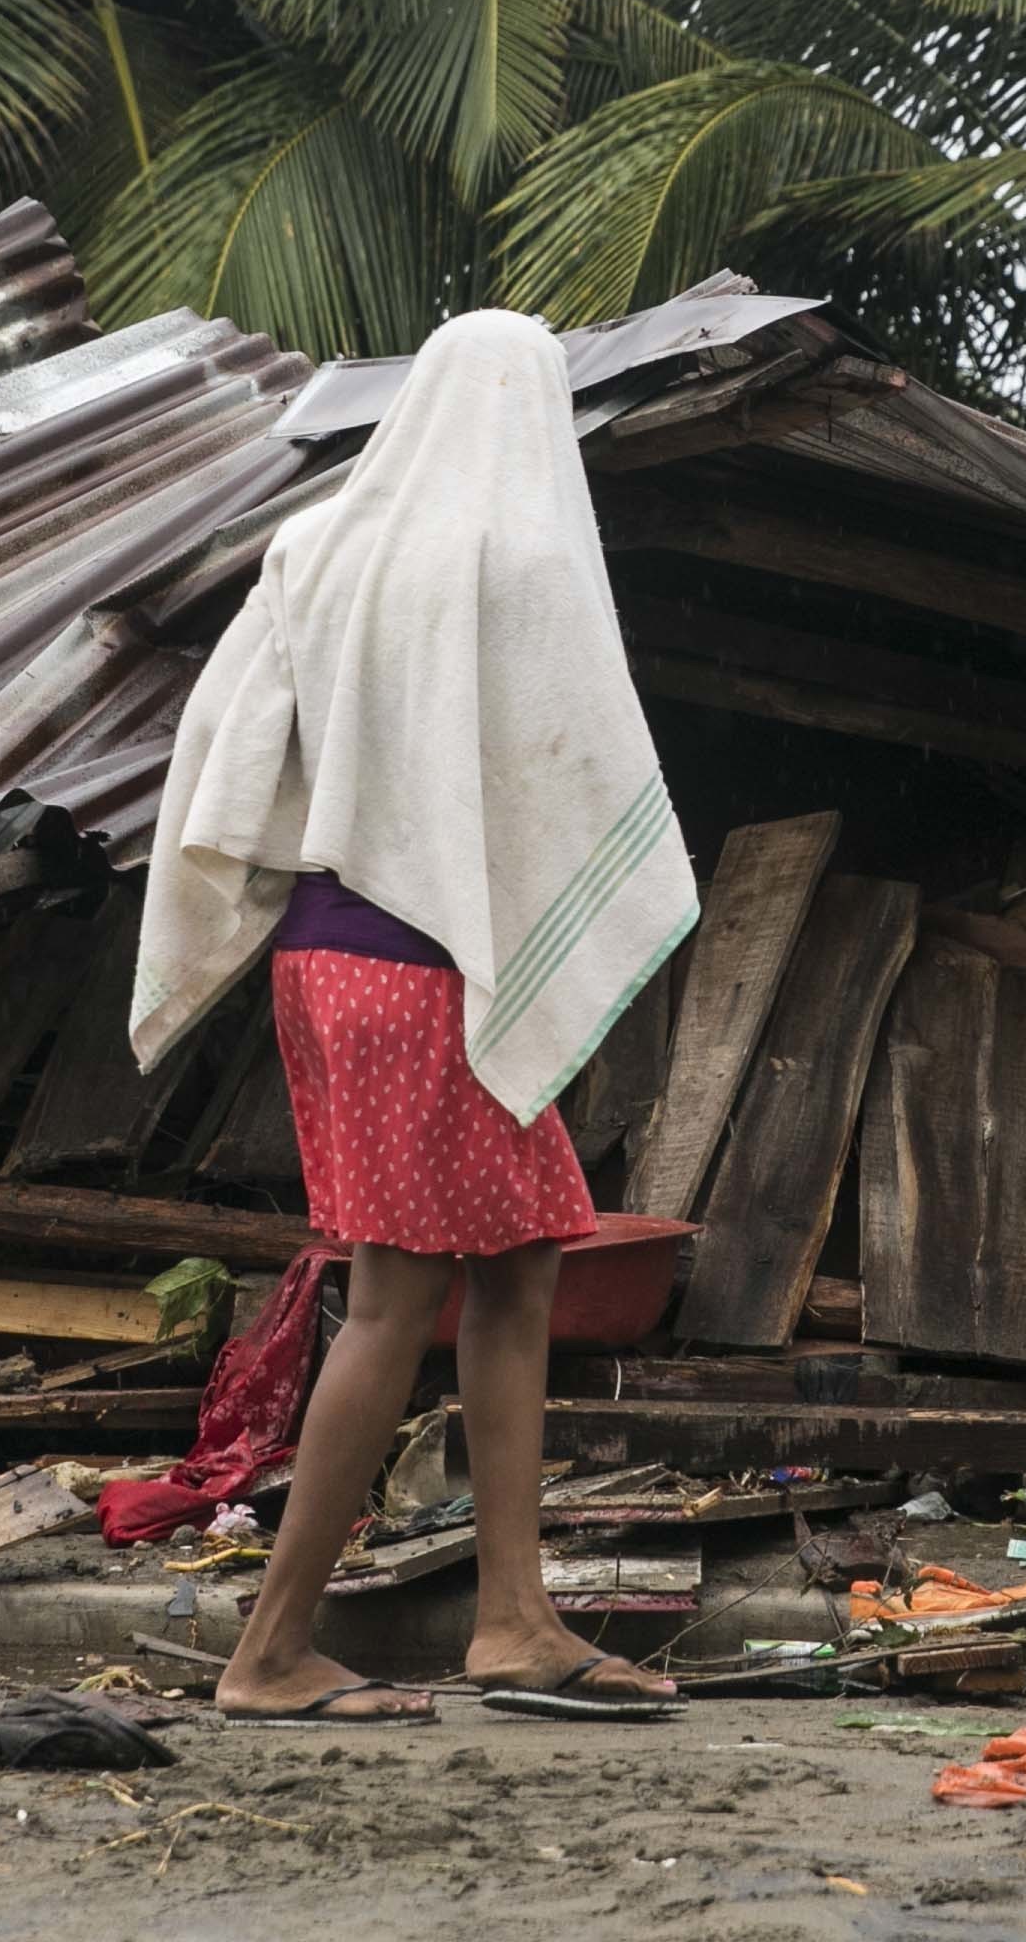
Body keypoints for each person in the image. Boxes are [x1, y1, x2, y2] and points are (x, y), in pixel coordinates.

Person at [127, 308, 702, 1721]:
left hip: (327, 962)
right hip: (431, 966)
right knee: (394, 1299)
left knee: (516, 1272)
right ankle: (269, 1652)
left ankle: (514, 1617)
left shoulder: (320, 548)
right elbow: (567, 767)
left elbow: (233, 749)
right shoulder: (520, 560)